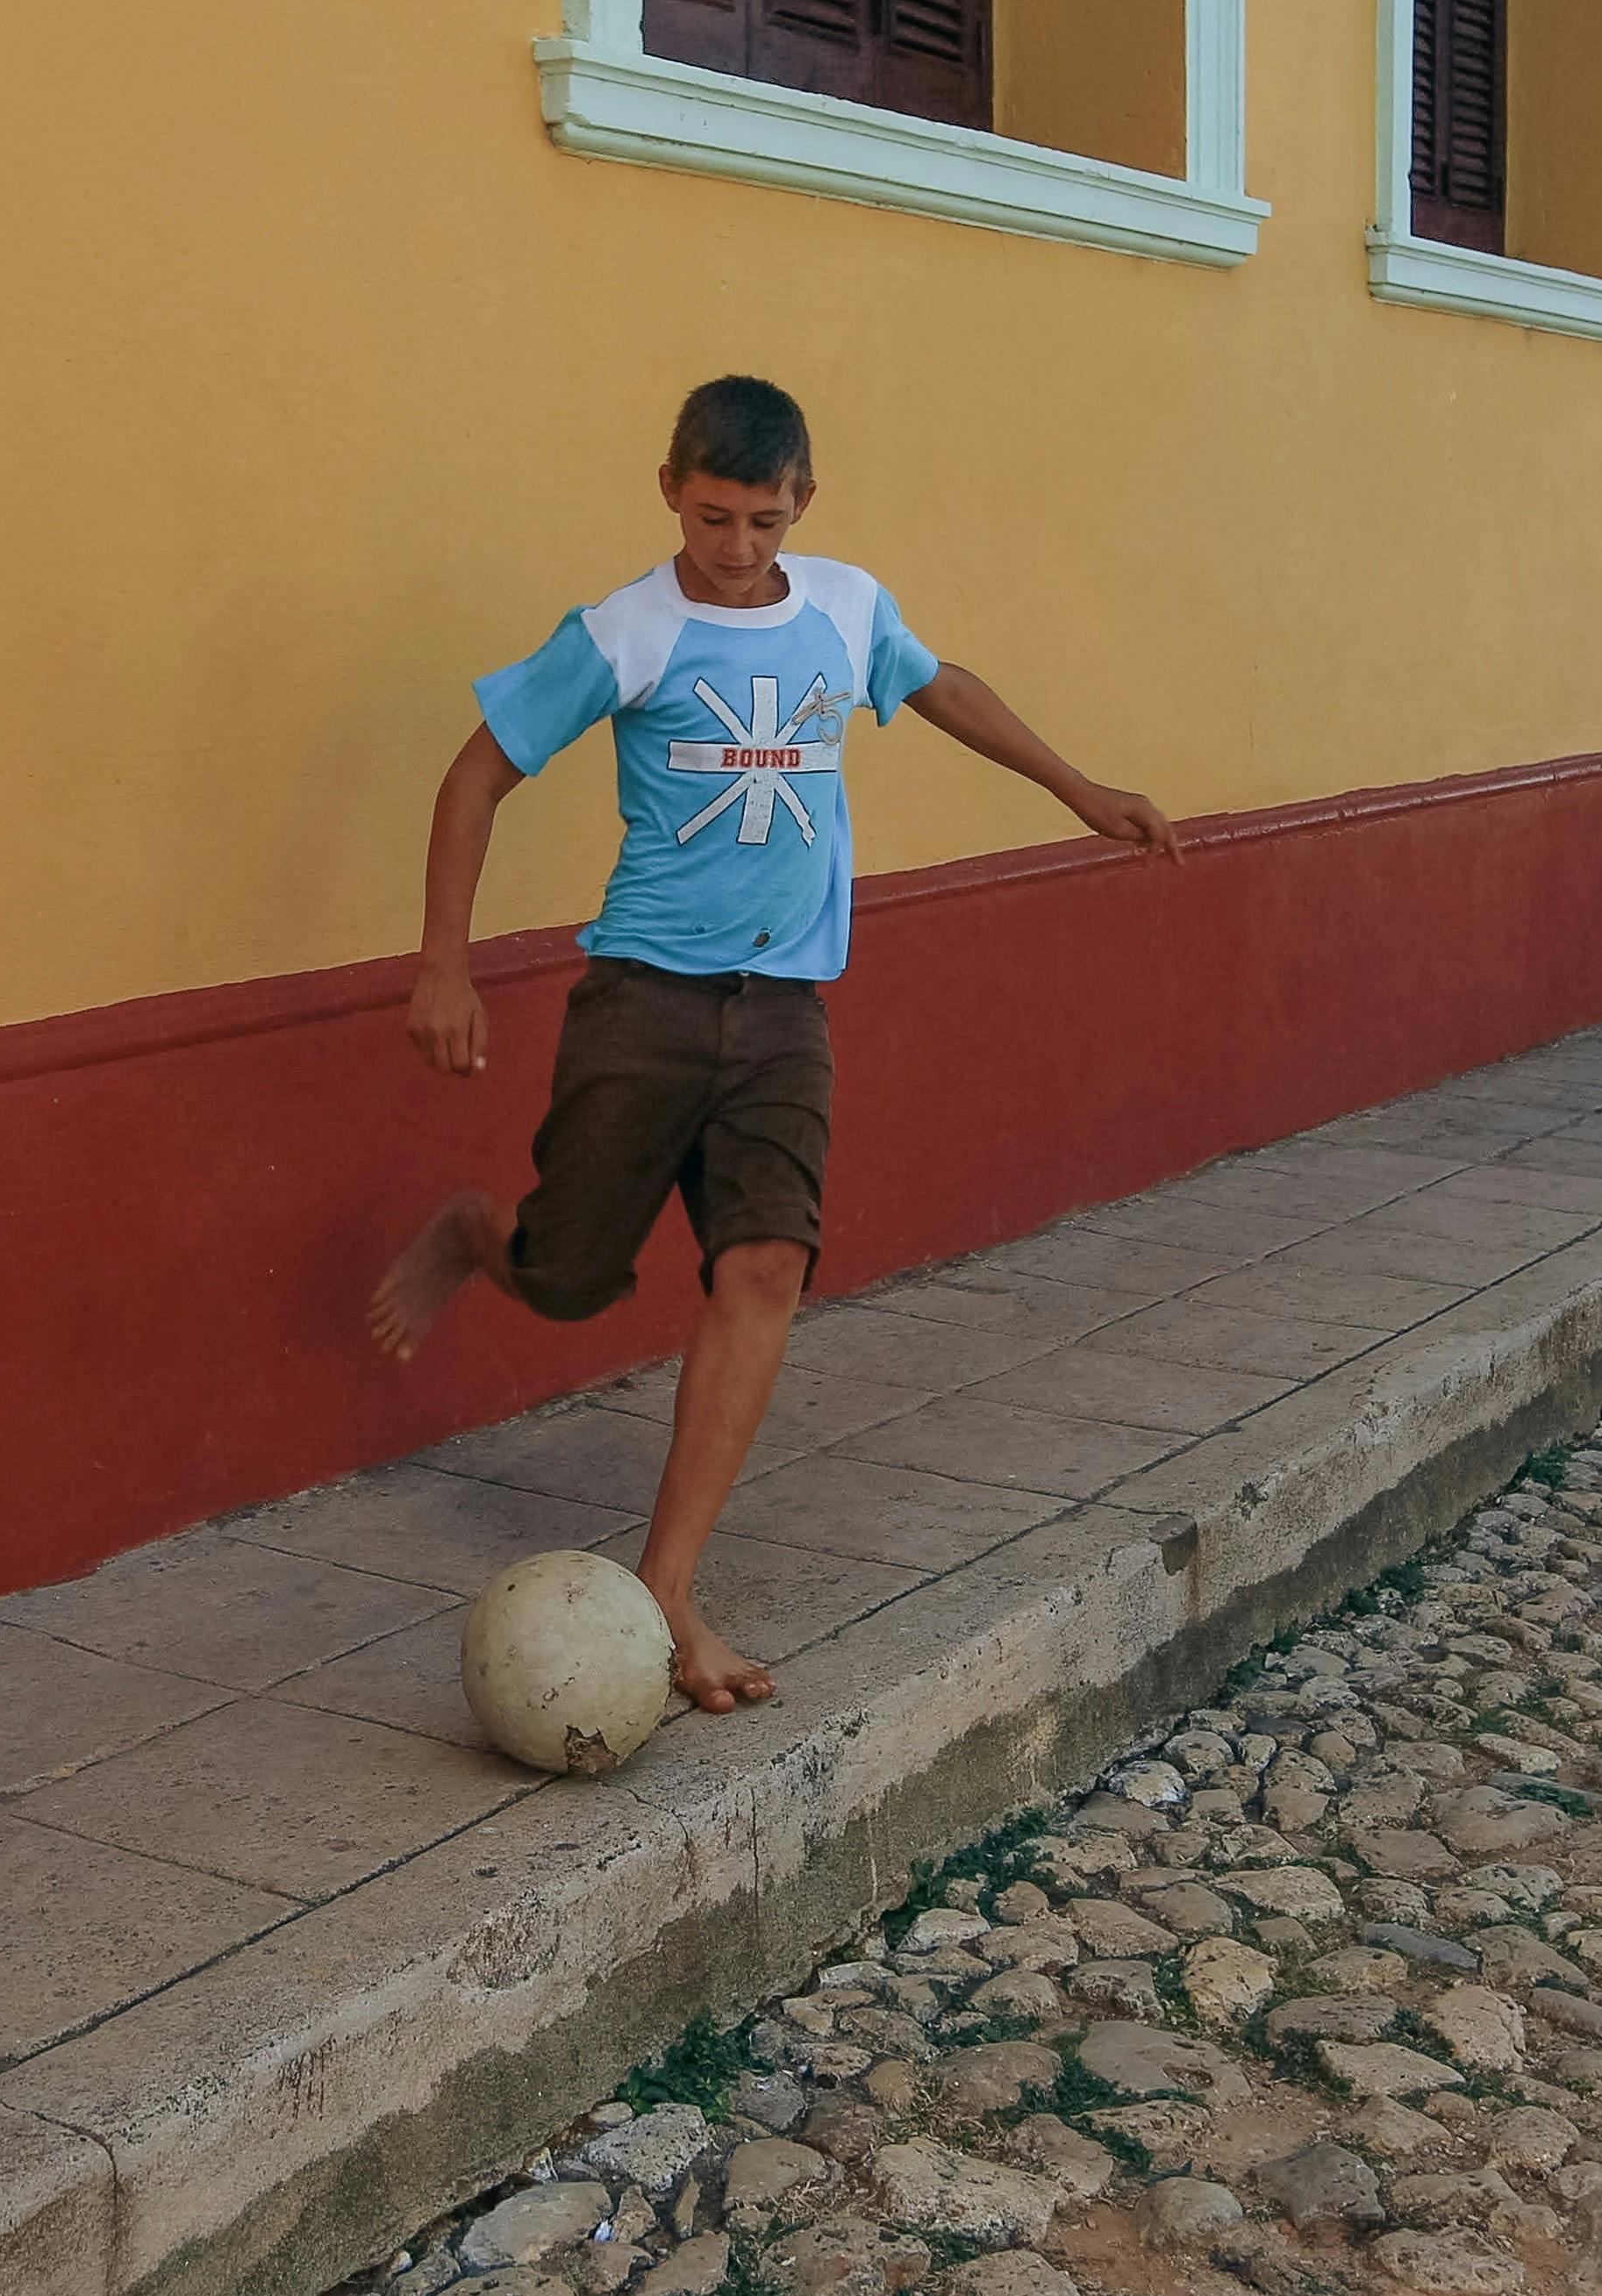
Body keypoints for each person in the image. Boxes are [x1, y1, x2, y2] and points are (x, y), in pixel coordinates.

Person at [369, 374, 1180, 1714]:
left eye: (760, 519)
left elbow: (943, 685)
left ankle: (670, 1587)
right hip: (643, 1000)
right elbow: (477, 773)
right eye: (710, 517)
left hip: (786, 1009)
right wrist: (442, 964)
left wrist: (1082, 790)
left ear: (803, 501)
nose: (735, 547)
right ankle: (478, 1234)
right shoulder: (626, 631)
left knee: (763, 1266)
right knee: (569, 1281)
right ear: (670, 494)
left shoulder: (849, 608)